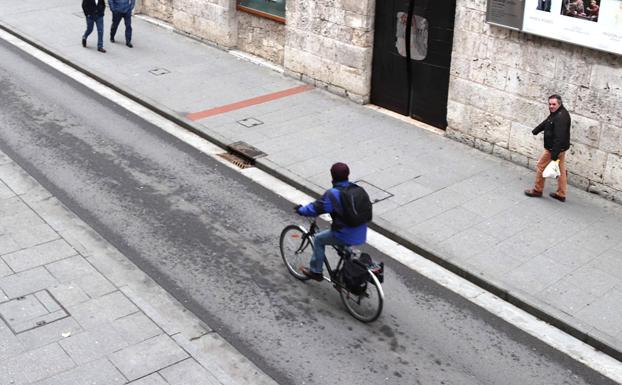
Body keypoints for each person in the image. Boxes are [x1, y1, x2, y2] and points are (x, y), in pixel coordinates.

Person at [295, 163, 367, 281]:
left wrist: (301, 210)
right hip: (361, 232)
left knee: (318, 239)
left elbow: (316, 208)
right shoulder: (356, 188)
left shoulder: (333, 194)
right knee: (343, 248)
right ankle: (345, 274)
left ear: (332, 176)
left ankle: (316, 271)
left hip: (345, 234)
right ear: (348, 175)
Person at [525, 95, 571, 202]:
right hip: (560, 148)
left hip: (553, 149)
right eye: (550, 104)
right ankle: (561, 194)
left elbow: (559, 137)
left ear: (559, 104)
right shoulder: (558, 113)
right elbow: (548, 121)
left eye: (554, 104)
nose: (551, 106)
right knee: (561, 170)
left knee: (540, 166)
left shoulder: (561, 117)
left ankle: (537, 190)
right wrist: (537, 130)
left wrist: (554, 154)